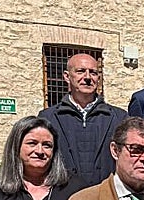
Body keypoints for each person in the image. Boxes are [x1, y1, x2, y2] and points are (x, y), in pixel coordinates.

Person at [38, 52, 127, 187]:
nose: (87, 77)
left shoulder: (118, 117)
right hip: (63, 196)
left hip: (107, 196)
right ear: (67, 77)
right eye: (80, 71)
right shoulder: (48, 118)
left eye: (93, 72)